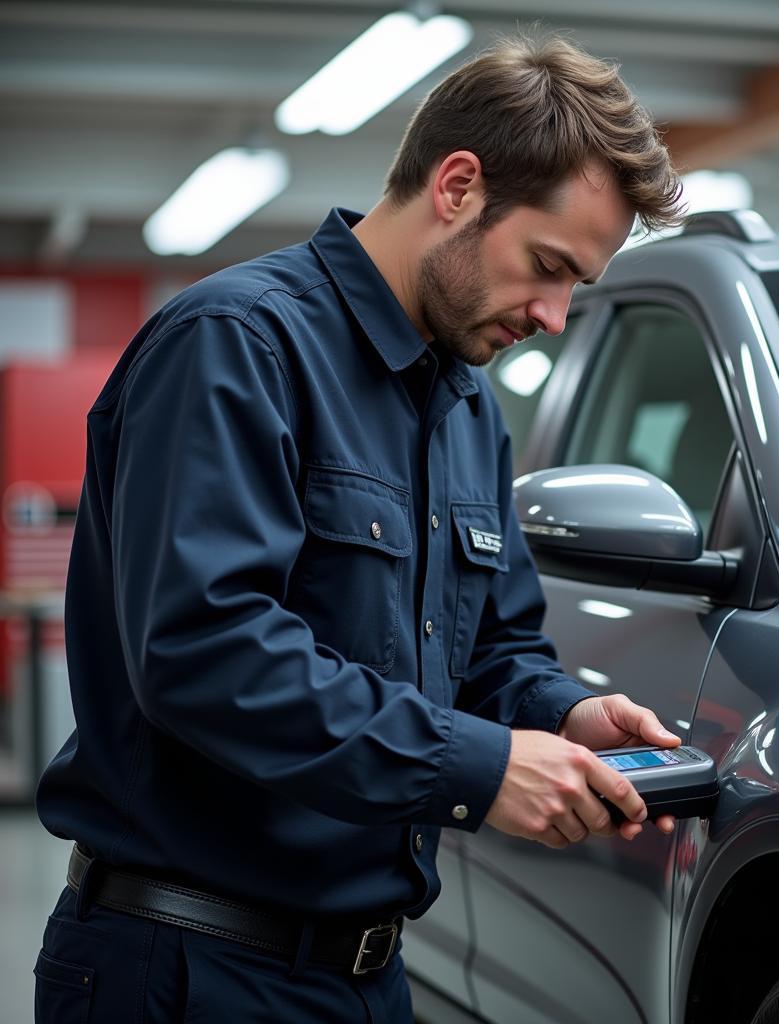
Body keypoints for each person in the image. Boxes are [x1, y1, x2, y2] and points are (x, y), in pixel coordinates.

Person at [34, 33, 687, 1023]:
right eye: (547, 266)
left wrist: (557, 714)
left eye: (575, 286)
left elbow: (489, 648)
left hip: (368, 979)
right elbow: (205, 652)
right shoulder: (236, 347)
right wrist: (478, 770)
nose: (555, 316)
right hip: (189, 971)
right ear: (458, 186)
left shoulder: (467, 408)